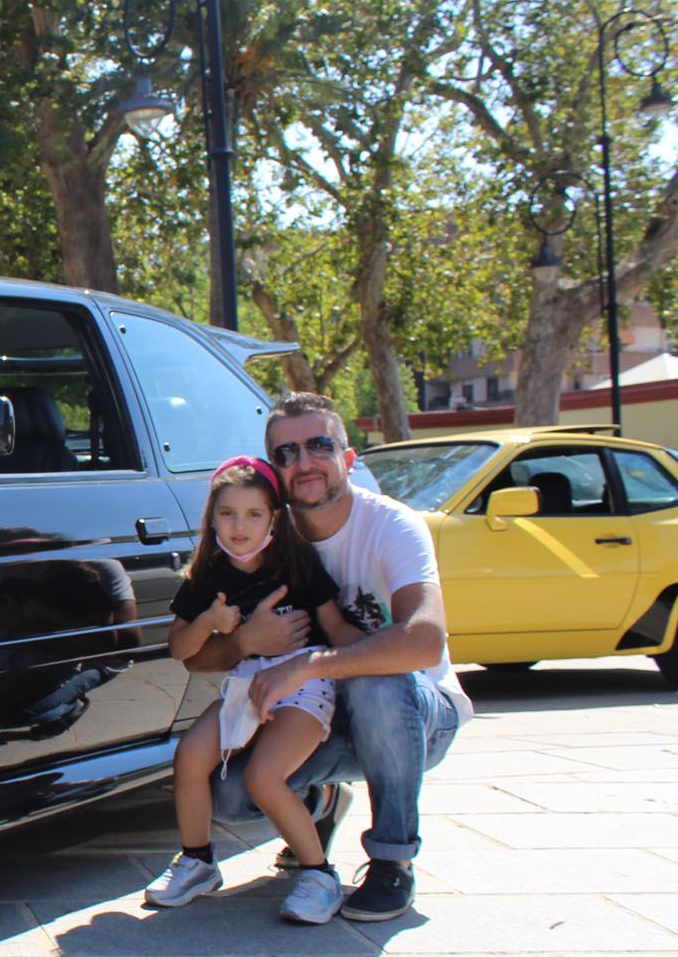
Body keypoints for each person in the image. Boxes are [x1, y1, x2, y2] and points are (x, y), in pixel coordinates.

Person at [191, 392, 470, 921]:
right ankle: (318, 800)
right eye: (286, 452)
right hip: (315, 714)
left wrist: (306, 663)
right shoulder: (261, 537)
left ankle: (392, 860)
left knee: (376, 679)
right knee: (225, 792)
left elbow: (424, 641)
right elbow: (198, 659)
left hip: (418, 716)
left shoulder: (393, 526)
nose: (304, 462)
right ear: (273, 470)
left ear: (347, 457)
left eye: (319, 445)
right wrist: (245, 641)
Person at [144, 455, 364, 924]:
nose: (239, 526)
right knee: (189, 756)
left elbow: (336, 628)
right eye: (227, 514)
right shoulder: (208, 574)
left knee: (264, 776)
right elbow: (181, 648)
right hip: (243, 685)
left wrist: (384, 657)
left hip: (305, 686)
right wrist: (208, 621)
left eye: (253, 514)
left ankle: (318, 873)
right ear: (212, 518)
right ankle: (198, 861)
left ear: (274, 518)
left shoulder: (298, 564)